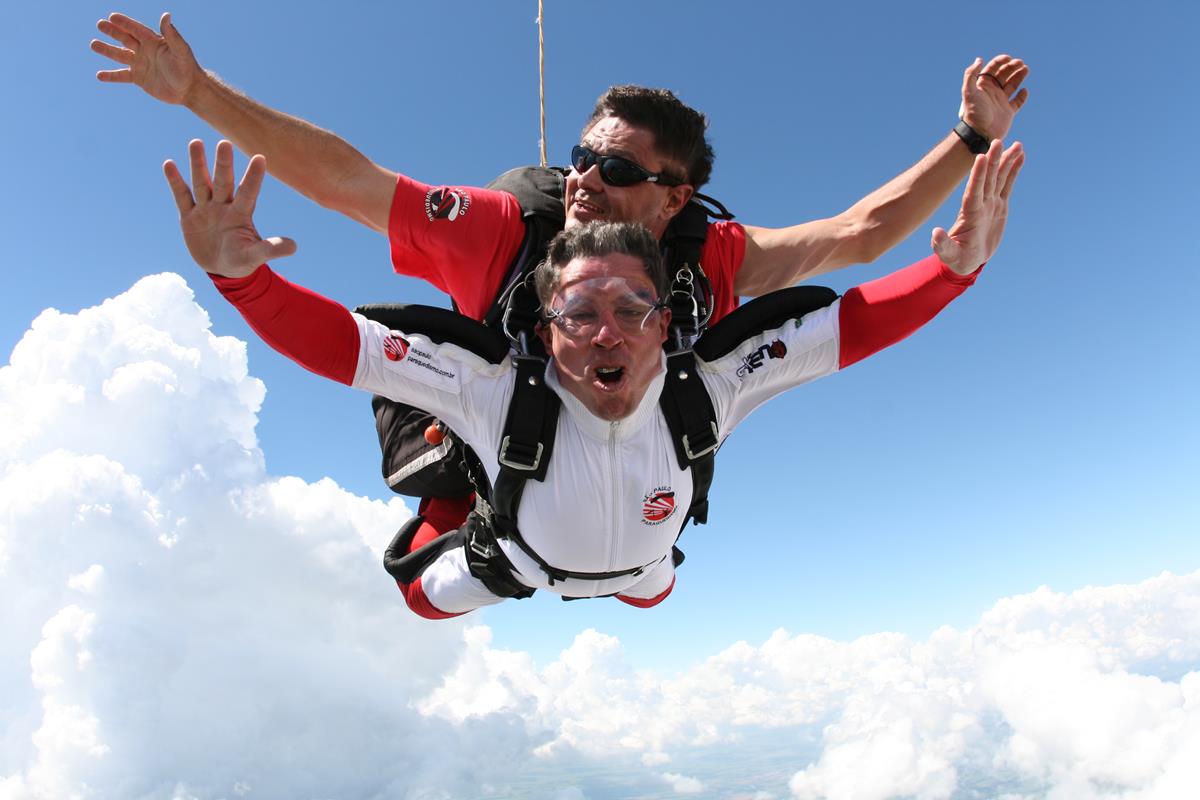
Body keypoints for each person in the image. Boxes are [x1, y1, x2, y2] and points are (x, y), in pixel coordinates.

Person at [93, 11, 1030, 581]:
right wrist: (200, 94)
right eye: (580, 155)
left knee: (641, 553)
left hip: (638, 452)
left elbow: (861, 234)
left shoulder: (717, 259)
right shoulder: (503, 228)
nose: (581, 178)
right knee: (440, 565)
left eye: (615, 167)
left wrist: (968, 138)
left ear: (675, 197)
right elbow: (350, 180)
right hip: (483, 440)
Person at [166, 136, 1024, 618]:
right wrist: (241, 278)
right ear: (543, 326)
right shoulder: (490, 386)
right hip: (514, 559)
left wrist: (957, 270)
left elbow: (850, 326)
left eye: (633, 308)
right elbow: (341, 348)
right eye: (580, 313)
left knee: (650, 589)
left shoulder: (708, 384)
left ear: (668, 321)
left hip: (644, 564)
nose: (606, 331)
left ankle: (636, 578)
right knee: (421, 601)